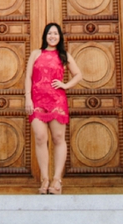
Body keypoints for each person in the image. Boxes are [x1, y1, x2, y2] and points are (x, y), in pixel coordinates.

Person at [25, 22, 82, 195]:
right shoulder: (36, 53)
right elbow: (28, 76)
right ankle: (44, 179)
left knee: (58, 138)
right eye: (50, 33)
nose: (52, 36)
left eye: (56, 34)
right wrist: (28, 98)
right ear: (45, 36)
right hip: (37, 102)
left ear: (60, 37)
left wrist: (65, 85)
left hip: (57, 101)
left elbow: (79, 75)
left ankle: (57, 180)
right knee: (41, 138)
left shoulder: (64, 55)